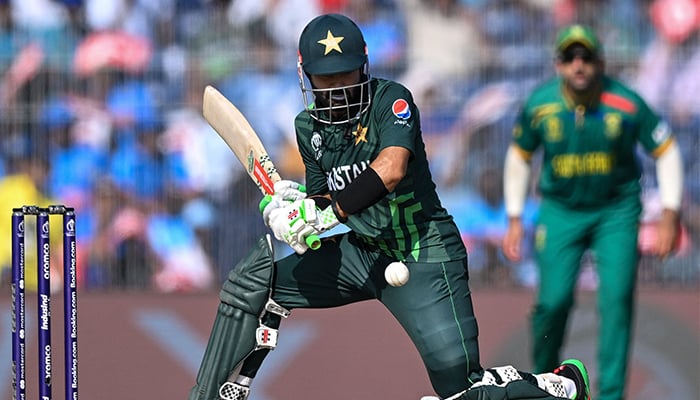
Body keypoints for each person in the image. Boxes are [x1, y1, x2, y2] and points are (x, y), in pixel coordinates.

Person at [189, 14, 591, 400]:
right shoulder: (307, 128)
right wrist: (295, 210)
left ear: (364, 68)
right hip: (362, 252)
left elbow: (391, 169)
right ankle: (219, 393)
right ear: (305, 76)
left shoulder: (392, 101)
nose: (337, 89)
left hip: (424, 252)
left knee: (461, 391)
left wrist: (326, 214)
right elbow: (322, 200)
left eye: (346, 76)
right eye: (325, 80)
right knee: (255, 286)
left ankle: (562, 386)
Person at [501, 24, 684, 400]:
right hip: (560, 211)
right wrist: (516, 217)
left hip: (614, 211)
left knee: (615, 300)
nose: (578, 65)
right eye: (570, 57)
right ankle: (543, 381)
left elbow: (666, 150)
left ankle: (611, 394)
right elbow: (519, 157)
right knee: (552, 302)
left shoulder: (627, 103)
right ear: (558, 64)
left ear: (601, 62)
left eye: (586, 57)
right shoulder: (540, 104)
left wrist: (670, 213)